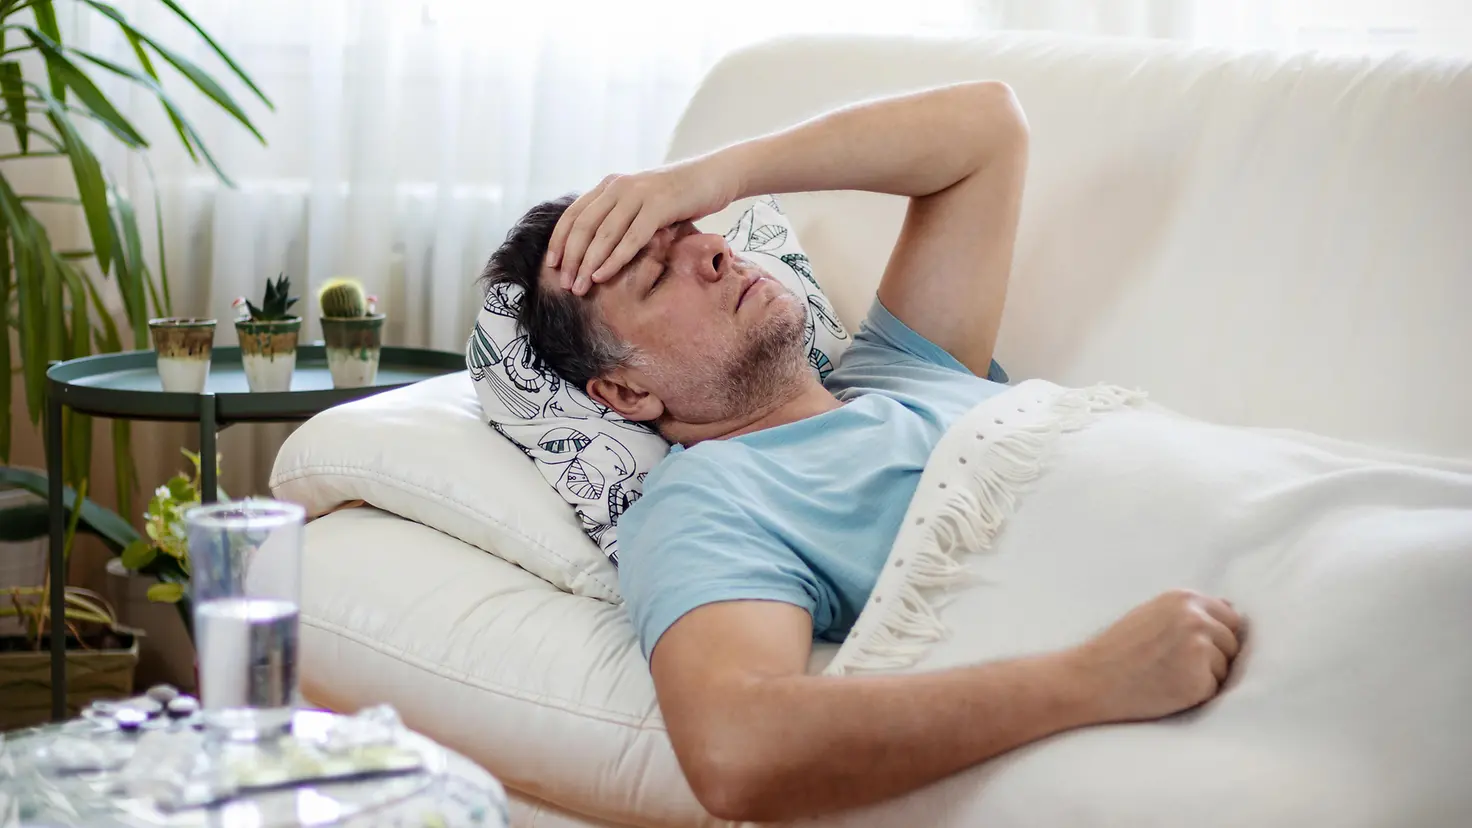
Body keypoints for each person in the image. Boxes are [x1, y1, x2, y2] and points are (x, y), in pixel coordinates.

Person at [478, 81, 1243, 821]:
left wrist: (711, 177)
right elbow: (734, 748)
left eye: (689, 230)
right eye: (656, 275)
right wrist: (1094, 679)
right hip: (1226, 617)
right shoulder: (708, 499)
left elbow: (986, 129)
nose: (711, 249)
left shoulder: (903, 363)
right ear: (626, 393)